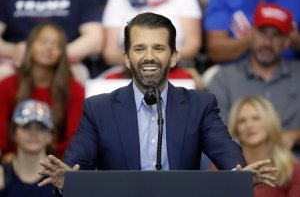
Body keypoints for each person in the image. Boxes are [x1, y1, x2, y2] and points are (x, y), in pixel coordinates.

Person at [38, 12, 276, 191]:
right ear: (127, 59)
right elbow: (74, 171)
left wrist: (241, 175)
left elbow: (228, 156)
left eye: (159, 48)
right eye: (139, 49)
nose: (149, 57)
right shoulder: (98, 109)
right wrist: (65, 182)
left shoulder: (199, 105)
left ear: (173, 57)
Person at [208, 4, 300, 152]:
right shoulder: (224, 78)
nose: (268, 42)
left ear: (287, 41)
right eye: (262, 32)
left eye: (276, 35)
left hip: (293, 162)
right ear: (250, 34)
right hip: (239, 164)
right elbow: (215, 133)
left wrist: (295, 135)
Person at [0, 22, 85, 161]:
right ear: (30, 45)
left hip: (57, 164)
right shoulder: (6, 86)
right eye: (43, 41)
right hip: (14, 162)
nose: (49, 48)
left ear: (62, 53)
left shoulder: (74, 90)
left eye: (56, 45)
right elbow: (1, 139)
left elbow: (73, 141)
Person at [101, 0, 203, 89]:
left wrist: (164, 60)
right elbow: (110, 53)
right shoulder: (118, 0)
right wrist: (137, 62)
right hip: (126, 71)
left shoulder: (185, 0)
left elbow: (192, 45)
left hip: (174, 67)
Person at [0, 0, 103, 83]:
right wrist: (13, 50)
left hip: (65, 61)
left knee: (76, 74)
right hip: (17, 61)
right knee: (3, 73)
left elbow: (95, 39)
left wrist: (56, 53)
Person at [227, 95, 300, 196]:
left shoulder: (291, 169)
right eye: (242, 121)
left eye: (256, 118)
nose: (249, 125)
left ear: (269, 123)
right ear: (236, 128)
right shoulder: (223, 165)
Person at [204, 0, 300, 64]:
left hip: (290, 72)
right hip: (236, 73)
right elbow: (215, 51)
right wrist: (255, 37)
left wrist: (294, 41)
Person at [0, 100, 54, 197]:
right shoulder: (2, 176)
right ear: (13, 133)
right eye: (26, 126)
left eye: (40, 128)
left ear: (50, 136)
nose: (33, 133)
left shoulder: (60, 177)